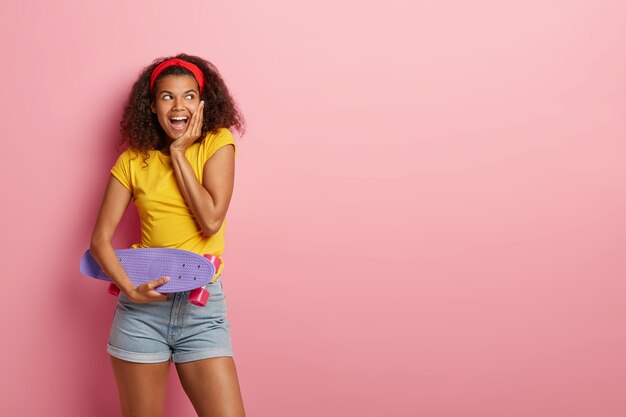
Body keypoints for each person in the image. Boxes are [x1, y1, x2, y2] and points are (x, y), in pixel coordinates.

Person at [89, 53, 246, 417]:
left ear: (203, 104)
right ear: (152, 107)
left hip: (202, 311)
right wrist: (130, 290)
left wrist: (178, 152)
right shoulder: (133, 160)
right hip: (142, 313)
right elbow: (99, 241)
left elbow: (210, 221)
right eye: (167, 96)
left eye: (190, 96)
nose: (179, 106)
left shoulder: (216, 143)